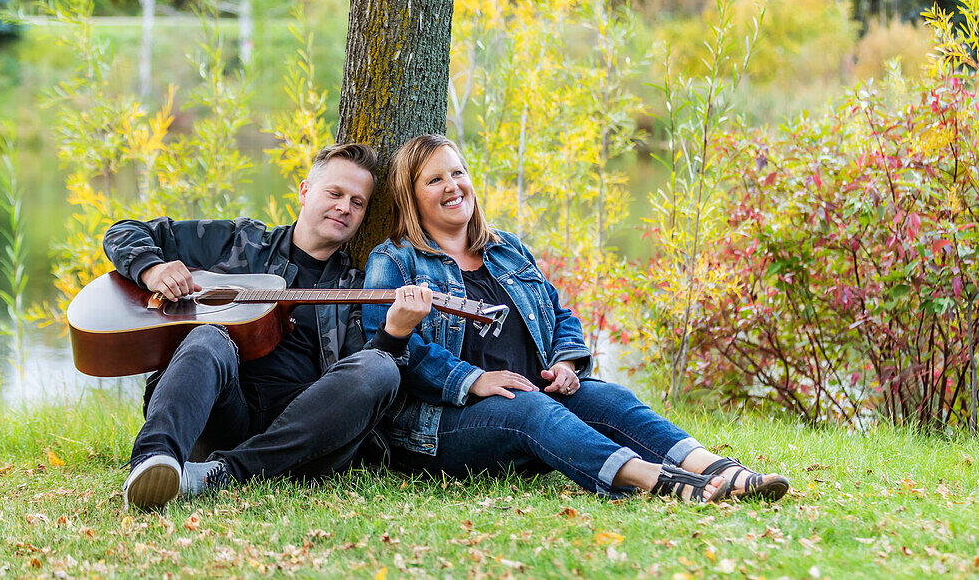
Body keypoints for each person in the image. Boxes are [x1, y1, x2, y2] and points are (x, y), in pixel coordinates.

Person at [362, 135, 790, 503]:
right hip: (444, 429)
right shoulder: (394, 261)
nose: (452, 186)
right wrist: (474, 380)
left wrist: (566, 364)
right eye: (434, 179)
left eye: (457, 173)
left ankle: (719, 468)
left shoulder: (506, 247)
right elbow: (389, 353)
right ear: (410, 195)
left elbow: (559, 313)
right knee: (528, 408)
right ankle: (659, 480)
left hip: (539, 401)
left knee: (610, 399)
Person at [104, 143, 429, 510]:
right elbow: (123, 232)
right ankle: (152, 463)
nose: (344, 207)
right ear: (305, 192)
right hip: (217, 412)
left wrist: (394, 335)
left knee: (380, 367)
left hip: (300, 436)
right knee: (210, 336)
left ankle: (225, 473)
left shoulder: (354, 288)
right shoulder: (241, 242)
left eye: (358, 202)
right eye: (335, 193)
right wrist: (152, 268)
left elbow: (360, 386)